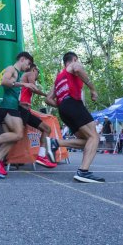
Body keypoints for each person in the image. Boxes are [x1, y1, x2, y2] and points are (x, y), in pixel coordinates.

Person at [46, 51, 105, 183]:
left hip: (63, 109)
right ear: (74, 59)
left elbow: (48, 99)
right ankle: (83, 172)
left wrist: (63, 105)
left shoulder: (59, 77)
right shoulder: (74, 64)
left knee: (87, 141)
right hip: (73, 104)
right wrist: (92, 89)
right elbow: (78, 69)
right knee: (94, 136)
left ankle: (56, 143)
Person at [18, 63, 56, 169]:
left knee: (47, 129)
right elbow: (33, 88)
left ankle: (41, 156)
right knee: (15, 136)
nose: (37, 76)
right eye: (37, 74)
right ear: (35, 69)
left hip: (26, 110)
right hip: (21, 109)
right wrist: (47, 95)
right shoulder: (31, 73)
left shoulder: (25, 76)